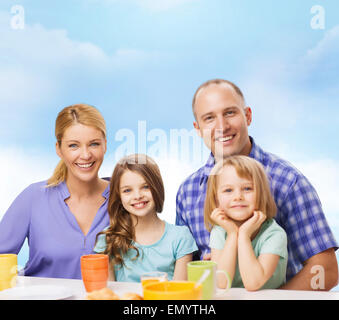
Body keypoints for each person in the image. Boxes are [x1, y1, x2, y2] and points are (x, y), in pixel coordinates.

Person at [176, 79, 338, 290]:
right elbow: (183, 269)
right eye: (209, 118)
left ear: (248, 116)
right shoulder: (188, 192)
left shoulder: (288, 182)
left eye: (230, 113)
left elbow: (326, 271)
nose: (222, 127)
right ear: (198, 129)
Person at [0, 104, 110, 279]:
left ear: (105, 145)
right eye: (73, 146)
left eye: (94, 144)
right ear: (58, 149)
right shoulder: (33, 198)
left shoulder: (124, 198)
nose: (85, 155)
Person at [94, 154, 198, 282]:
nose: (137, 196)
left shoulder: (180, 237)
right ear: (119, 196)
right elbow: (107, 294)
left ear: (157, 188)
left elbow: (179, 293)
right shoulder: (108, 239)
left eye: (145, 187)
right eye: (127, 190)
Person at [205, 155, 288, 290]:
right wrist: (232, 234)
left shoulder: (274, 234)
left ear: (262, 194)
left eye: (247, 188)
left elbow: (253, 283)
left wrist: (243, 235)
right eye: (228, 190)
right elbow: (221, 283)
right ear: (216, 200)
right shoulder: (219, 231)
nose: (238, 197)